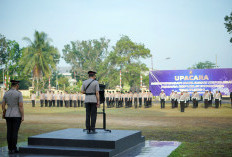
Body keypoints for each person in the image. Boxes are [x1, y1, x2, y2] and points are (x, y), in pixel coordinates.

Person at [2, 80, 24, 154]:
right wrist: (22, 116)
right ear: (17, 85)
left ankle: (9, 148)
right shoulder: (18, 94)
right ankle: (14, 148)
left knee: (9, 132)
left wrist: (4, 112)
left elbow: (3, 105)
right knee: (14, 132)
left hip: (8, 114)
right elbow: (20, 106)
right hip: (16, 114)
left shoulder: (6, 93)